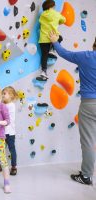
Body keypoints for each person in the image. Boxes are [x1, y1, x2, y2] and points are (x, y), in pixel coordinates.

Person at [49, 31, 96, 185]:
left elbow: (64, 53)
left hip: (89, 104)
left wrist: (55, 41)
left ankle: (86, 176)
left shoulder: (86, 56)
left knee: (88, 141)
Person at [38, 0, 66, 80]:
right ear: (52, 6)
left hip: (43, 39)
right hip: (53, 37)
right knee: (60, 38)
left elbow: (40, 22)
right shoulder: (56, 14)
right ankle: (53, 49)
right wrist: (58, 22)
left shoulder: (42, 14)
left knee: (44, 55)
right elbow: (64, 20)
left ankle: (44, 71)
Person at [0, 86, 19, 175]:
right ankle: (0, 165)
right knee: (0, 149)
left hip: (10, 133)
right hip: (2, 132)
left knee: (12, 149)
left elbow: (6, 117)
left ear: (11, 95)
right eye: (2, 93)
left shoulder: (11, 105)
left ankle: (14, 166)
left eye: (4, 93)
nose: (3, 95)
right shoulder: (2, 104)